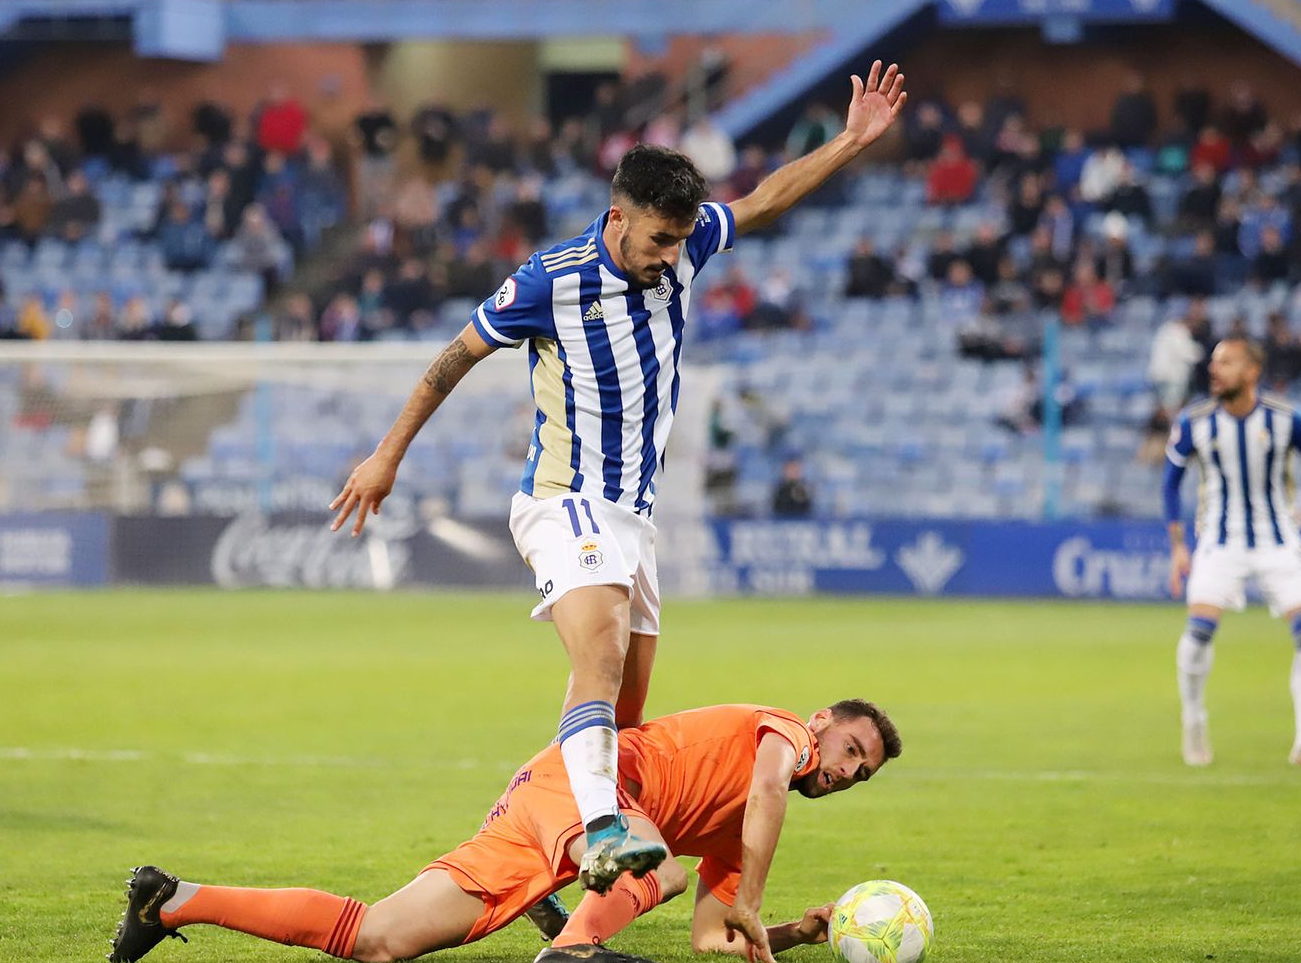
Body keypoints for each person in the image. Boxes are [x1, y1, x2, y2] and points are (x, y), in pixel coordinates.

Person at [328, 63, 908, 897]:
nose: (673, 256)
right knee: (596, 659)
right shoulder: (548, 281)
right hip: (564, 501)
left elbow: (763, 201)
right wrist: (387, 455)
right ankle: (601, 830)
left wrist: (850, 142)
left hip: (634, 519)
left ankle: (550, 842)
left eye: (681, 240)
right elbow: (452, 359)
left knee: (624, 719)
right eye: (658, 241)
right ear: (617, 218)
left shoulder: (685, 242)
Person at [109, 699, 904, 963]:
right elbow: (771, 786)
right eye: (852, 751)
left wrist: (800, 929)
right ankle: (574, 941)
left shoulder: (738, 836)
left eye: (859, 773)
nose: (845, 771)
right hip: (584, 784)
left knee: (379, 936)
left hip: (547, 804)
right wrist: (756, 894)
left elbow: (710, 939)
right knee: (652, 863)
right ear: (824, 723)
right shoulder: (784, 735)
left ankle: (174, 900)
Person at [1163, 338, 1301, 770]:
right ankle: (1194, 718)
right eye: (1214, 361)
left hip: (1278, 539)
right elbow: (1170, 484)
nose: (1214, 369)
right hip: (1221, 542)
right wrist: (1178, 547)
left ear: (1251, 371)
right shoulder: (1195, 421)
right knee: (1199, 631)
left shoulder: (1285, 418)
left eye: (1226, 362)